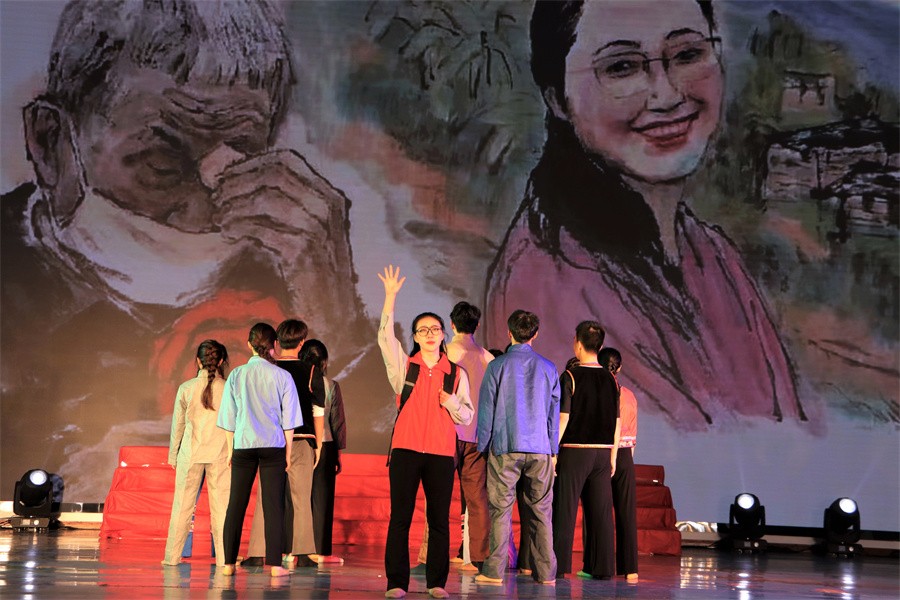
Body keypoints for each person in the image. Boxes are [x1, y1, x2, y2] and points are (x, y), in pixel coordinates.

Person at [0, 0, 369, 502]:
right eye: (160, 163)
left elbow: (354, 445)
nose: (204, 208)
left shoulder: (290, 266)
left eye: (236, 167)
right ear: (51, 142)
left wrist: (336, 318)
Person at [484, 0, 809, 433]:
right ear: (557, 99)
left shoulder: (713, 254)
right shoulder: (548, 280)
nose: (668, 95)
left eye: (688, 54)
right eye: (621, 67)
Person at [377, 265, 474, 600]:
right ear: (416, 337)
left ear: (444, 334)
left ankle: (436, 583)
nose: (430, 334)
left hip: (440, 454)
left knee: (439, 521)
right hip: (405, 450)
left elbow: (467, 416)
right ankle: (396, 583)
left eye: (435, 329)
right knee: (400, 519)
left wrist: (451, 402)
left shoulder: (456, 374)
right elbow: (385, 338)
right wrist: (390, 297)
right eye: (423, 330)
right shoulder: (406, 367)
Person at [475, 310, 560, 586]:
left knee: (501, 510)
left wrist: (482, 446)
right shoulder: (549, 368)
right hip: (540, 448)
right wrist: (553, 449)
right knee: (541, 511)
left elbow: (486, 410)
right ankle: (546, 573)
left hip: (505, 445)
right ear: (535, 334)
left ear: (508, 332)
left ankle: (494, 571)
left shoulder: (497, 366)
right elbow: (553, 414)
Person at [216, 323, 303, 578]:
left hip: (243, 445)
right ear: (274, 345)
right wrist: (288, 453)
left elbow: (228, 418)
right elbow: (289, 421)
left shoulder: (236, 375)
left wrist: (230, 449)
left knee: (236, 504)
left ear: (249, 345)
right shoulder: (282, 376)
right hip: (273, 445)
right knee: (273, 506)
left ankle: (228, 564)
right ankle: (275, 566)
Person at [416, 302, 494, 571]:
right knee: (477, 499)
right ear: (478, 325)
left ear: (450, 325)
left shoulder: (443, 353)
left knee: (437, 496)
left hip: (445, 434)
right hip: (477, 436)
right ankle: (479, 558)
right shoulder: (489, 359)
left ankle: (429, 557)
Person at [243, 320, 325, 569]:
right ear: (302, 343)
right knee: (301, 497)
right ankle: (303, 553)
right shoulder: (311, 370)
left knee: (265, 497)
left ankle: (257, 552)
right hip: (301, 439)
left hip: (271, 440)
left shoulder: (269, 368)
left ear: (277, 342)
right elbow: (318, 411)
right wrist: (319, 444)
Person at [553, 321, 620, 580]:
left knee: (565, 509)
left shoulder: (570, 376)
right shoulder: (611, 379)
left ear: (577, 343)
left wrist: (552, 451)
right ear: (600, 347)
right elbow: (616, 422)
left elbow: (564, 418)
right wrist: (613, 456)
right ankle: (602, 568)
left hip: (575, 451)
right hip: (603, 453)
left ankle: (558, 566)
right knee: (601, 513)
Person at [162, 340, 231, 567]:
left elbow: (178, 426)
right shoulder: (229, 388)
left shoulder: (186, 388)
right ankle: (224, 559)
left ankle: (171, 557)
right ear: (221, 361)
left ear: (198, 361)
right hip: (221, 453)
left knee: (182, 506)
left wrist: (173, 455)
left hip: (190, 453)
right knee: (221, 508)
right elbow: (234, 425)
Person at [299, 339, 347, 565]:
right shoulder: (331, 385)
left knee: (295, 497)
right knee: (322, 499)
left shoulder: (293, 382)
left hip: (297, 443)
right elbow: (337, 422)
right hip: (325, 444)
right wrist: (338, 452)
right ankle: (321, 552)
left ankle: (291, 551)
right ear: (324, 362)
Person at [599, 347, 639, 581]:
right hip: (625, 455)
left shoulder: (601, 393)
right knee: (626, 512)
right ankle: (630, 568)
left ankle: (601, 565)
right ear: (620, 368)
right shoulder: (629, 395)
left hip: (603, 453)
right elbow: (633, 435)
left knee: (601, 511)